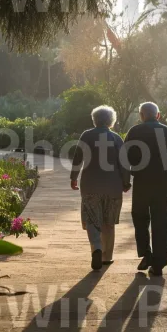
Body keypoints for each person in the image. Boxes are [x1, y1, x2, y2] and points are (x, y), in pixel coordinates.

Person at [70, 105, 131, 271]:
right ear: (111, 121)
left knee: (92, 218)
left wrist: (73, 177)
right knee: (108, 222)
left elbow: (77, 158)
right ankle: (107, 257)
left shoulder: (86, 136)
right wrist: (126, 182)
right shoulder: (116, 138)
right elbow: (124, 163)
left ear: (94, 120)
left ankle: (96, 247)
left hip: (90, 185)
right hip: (113, 186)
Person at [123, 102, 167, 276]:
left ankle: (146, 253)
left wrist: (126, 180)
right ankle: (159, 264)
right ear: (158, 115)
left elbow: (125, 158)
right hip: (161, 183)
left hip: (141, 181)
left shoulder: (134, 132)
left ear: (141, 115)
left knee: (139, 217)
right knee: (160, 221)